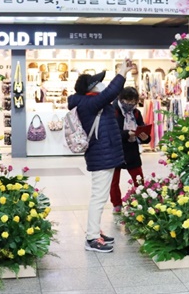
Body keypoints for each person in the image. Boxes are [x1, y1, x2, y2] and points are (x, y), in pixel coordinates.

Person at [68, 59, 134, 253]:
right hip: (101, 156)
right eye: (98, 82)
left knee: (100, 196)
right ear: (91, 88)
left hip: (105, 155)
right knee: (98, 197)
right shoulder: (89, 103)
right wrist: (122, 71)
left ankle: (95, 230)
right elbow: (111, 92)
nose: (102, 85)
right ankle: (91, 238)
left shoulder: (94, 103)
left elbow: (111, 96)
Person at [110, 87, 150, 213]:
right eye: (127, 102)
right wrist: (128, 133)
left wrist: (145, 137)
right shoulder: (112, 111)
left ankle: (140, 202)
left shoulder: (136, 113)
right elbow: (112, 134)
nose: (130, 105)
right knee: (113, 180)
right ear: (121, 99)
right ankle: (116, 204)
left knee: (138, 178)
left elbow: (142, 129)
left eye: (133, 102)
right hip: (115, 151)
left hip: (132, 151)